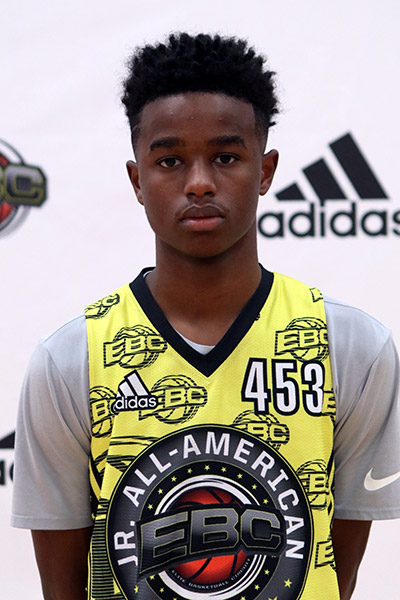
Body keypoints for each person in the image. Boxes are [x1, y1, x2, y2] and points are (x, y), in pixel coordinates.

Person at [11, 32, 400, 600]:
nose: (198, 182)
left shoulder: (353, 346)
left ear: (265, 171)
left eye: (226, 157)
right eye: (169, 160)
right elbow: (62, 584)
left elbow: (332, 572)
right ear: (137, 180)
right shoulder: (70, 359)